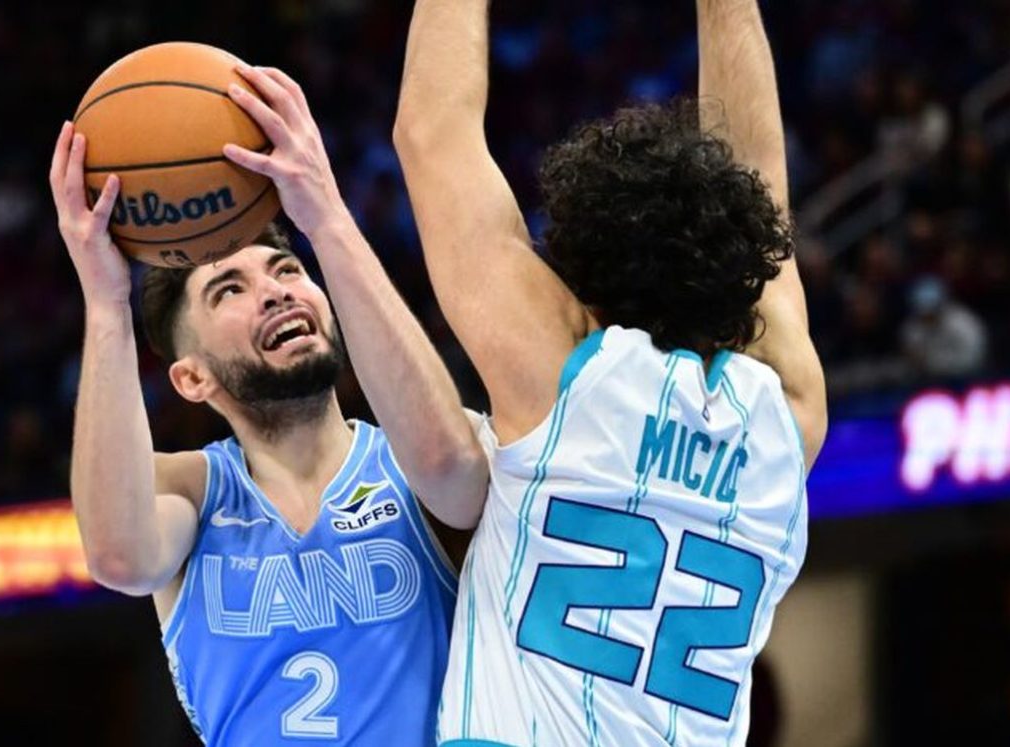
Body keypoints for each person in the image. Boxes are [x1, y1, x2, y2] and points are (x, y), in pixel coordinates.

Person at [394, 0, 827, 743]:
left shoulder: (563, 372)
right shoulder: (788, 412)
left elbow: (433, 133)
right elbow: (760, 188)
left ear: (578, 275)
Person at [50, 64, 487, 745]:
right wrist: (106, 302)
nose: (277, 291)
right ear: (192, 378)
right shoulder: (191, 492)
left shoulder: (418, 462)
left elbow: (453, 473)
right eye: (229, 289)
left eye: (287, 269)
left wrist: (325, 215)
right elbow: (120, 557)